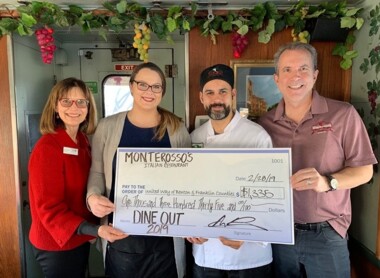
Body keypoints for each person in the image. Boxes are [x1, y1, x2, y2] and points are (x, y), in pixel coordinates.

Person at [258, 41, 378, 278]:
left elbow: (365, 171)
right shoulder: (265, 124)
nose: (296, 76)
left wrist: (327, 182)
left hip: (327, 234)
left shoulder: (343, 114)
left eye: (303, 69)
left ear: (315, 75)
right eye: (287, 70)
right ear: (277, 79)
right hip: (280, 234)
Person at [86, 62, 191, 278]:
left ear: (162, 91)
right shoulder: (107, 127)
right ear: (131, 87)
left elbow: (188, 180)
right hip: (121, 237)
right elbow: (97, 171)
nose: (149, 92)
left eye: (156, 87)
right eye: (143, 85)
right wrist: (92, 197)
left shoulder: (177, 128)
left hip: (166, 239)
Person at [28, 77, 126, 278]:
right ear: (55, 107)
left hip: (78, 236)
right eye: (66, 101)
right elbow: (49, 209)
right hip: (56, 244)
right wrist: (94, 229)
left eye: (81, 102)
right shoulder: (47, 148)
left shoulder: (82, 142)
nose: (75, 107)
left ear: (88, 108)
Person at [187, 64, 273, 277]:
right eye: (210, 92)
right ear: (201, 97)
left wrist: (249, 233)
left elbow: (271, 196)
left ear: (233, 94)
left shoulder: (257, 137)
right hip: (206, 254)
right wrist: (187, 228)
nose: (216, 99)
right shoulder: (194, 138)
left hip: (249, 256)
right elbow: (188, 192)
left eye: (223, 91)